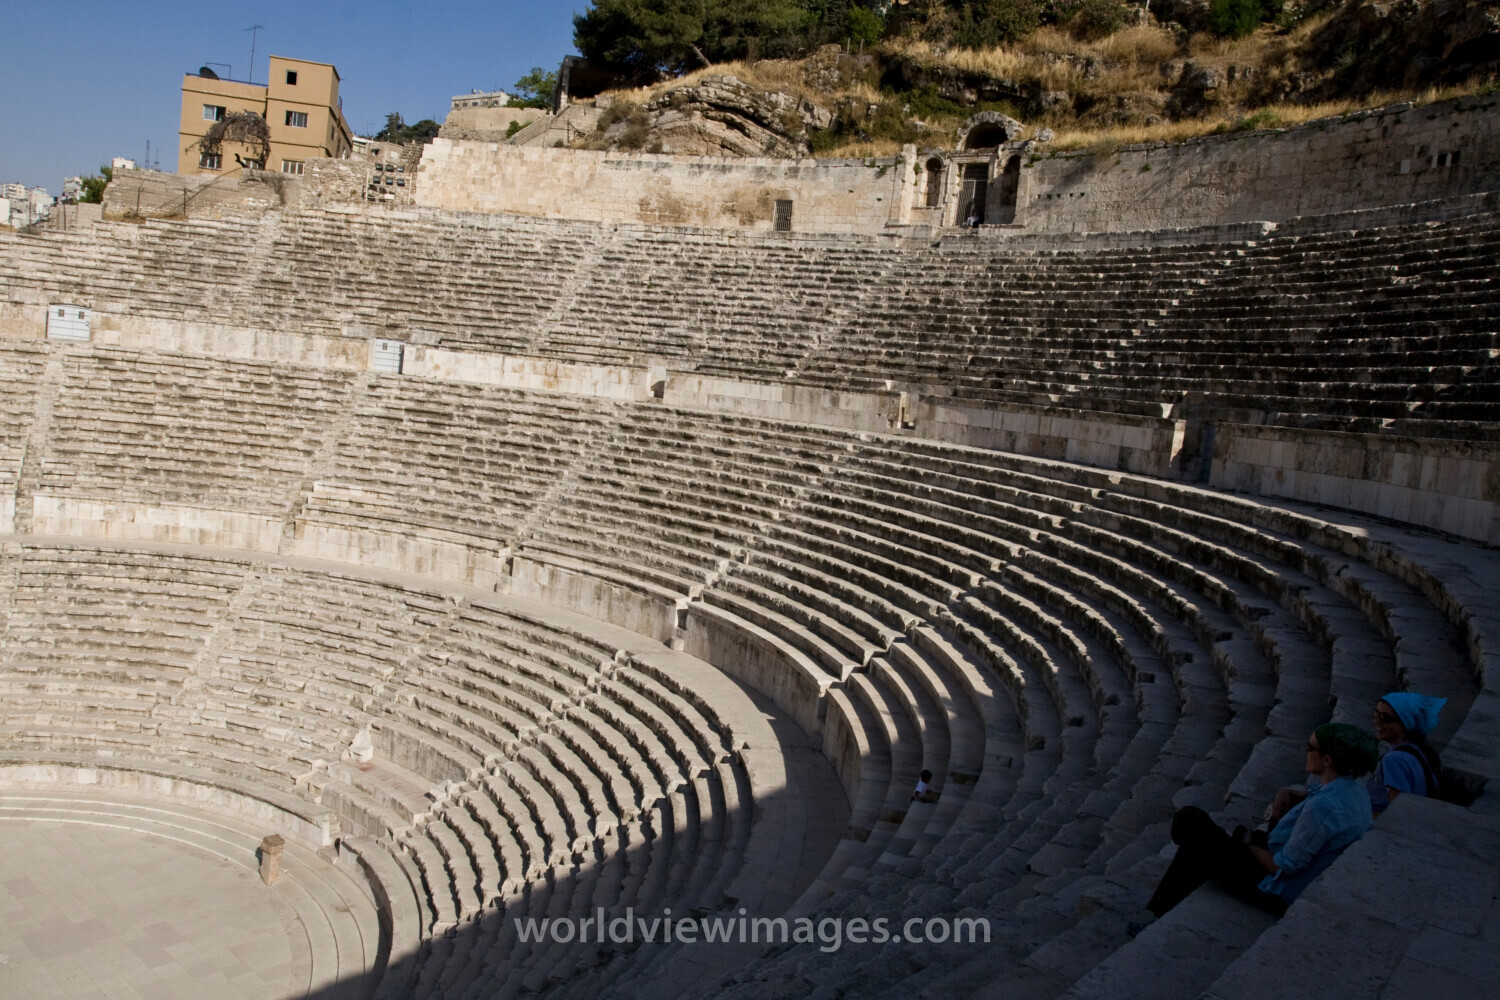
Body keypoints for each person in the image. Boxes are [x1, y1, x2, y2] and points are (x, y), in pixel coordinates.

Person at [1146, 722, 1378, 918]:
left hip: (1273, 889)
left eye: (1310, 747)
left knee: (1192, 823)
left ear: (1327, 760)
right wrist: (1286, 792)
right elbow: (1318, 796)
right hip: (1282, 864)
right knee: (1201, 840)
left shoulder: (1323, 808)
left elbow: (1284, 867)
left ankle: (1157, 910)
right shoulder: (1354, 789)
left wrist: (1248, 845)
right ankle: (1158, 909)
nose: (1305, 751)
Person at [1369, 692, 1446, 812]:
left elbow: (1397, 809)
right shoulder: (1423, 750)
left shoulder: (1394, 760)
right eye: (1376, 714)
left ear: (1405, 723)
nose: (1377, 721)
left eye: (1385, 718)